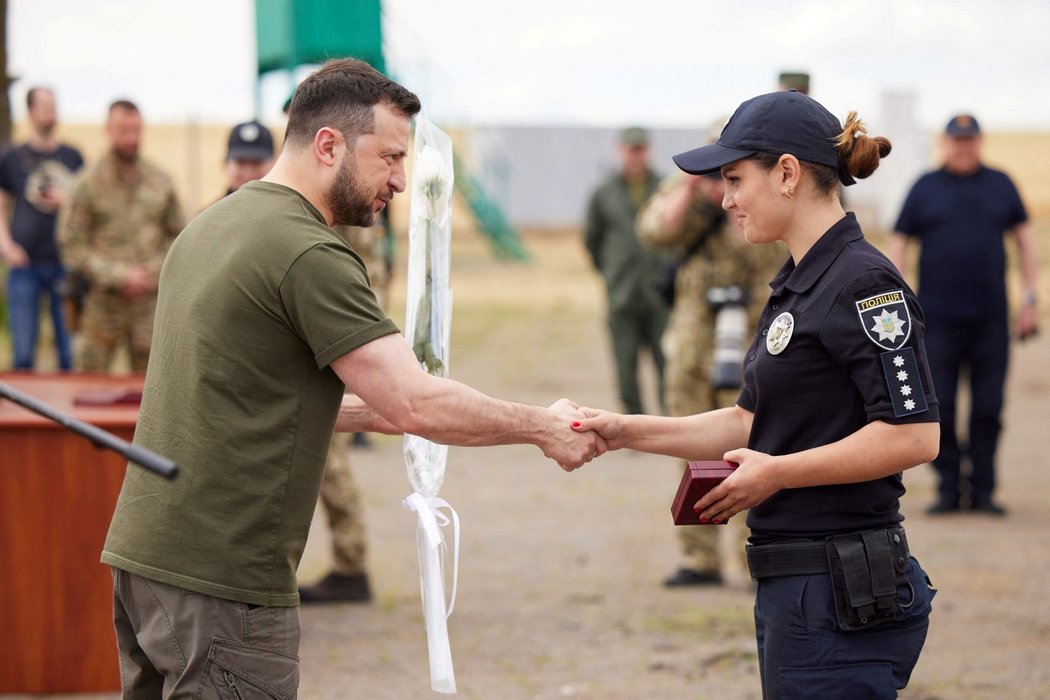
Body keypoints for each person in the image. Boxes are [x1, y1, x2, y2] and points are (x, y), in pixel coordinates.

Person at [100, 58, 600, 694]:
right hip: (222, 580)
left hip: (147, 562)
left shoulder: (209, 228)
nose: (399, 178)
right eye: (389, 156)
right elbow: (416, 401)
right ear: (329, 144)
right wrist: (542, 427)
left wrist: (387, 413)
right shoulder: (308, 250)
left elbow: (258, 395)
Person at [573, 90, 940, 699]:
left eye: (736, 178)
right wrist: (625, 431)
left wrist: (778, 474)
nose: (726, 199)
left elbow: (913, 433)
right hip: (797, 583)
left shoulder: (863, 280)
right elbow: (751, 421)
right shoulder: (802, 280)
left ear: (789, 174)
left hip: (838, 588)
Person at [637, 161, 785, 588]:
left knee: (754, 446)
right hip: (694, 339)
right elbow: (654, 231)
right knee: (690, 445)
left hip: (754, 332)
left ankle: (752, 555)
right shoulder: (689, 188)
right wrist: (690, 187)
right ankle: (698, 557)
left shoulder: (770, 188)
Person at [889, 114, 1039, 517]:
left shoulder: (1000, 183)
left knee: (989, 406)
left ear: (980, 141)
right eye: (958, 140)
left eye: (970, 140)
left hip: (991, 319)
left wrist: (1029, 298)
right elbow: (899, 241)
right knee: (944, 405)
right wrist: (901, 298)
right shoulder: (926, 187)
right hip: (936, 320)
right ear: (946, 143)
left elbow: (1025, 240)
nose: (964, 147)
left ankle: (985, 490)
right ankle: (949, 488)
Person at [58, 99, 185, 373]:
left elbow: (180, 238)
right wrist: (120, 276)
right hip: (103, 303)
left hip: (150, 305)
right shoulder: (87, 184)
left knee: (153, 385)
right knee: (88, 384)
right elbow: (72, 245)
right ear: (108, 129)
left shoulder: (160, 181)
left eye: (136, 131)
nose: (131, 139)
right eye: (123, 131)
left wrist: (150, 274)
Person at [584, 126, 670, 415]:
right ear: (621, 150)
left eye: (641, 149)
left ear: (648, 150)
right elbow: (592, 240)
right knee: (625, 364)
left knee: (667, 361)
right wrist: (611, 271)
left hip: (660, 295)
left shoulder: (665, 188)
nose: (636, 155)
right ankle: (633, 421)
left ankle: (670, 422)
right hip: (622, 294)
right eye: (631, 149)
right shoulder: (604, 193)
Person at [0, 87, 83, 371]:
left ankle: (64, 416)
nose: (50, 112)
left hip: (66, 264)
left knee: (69, 356)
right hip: (25, 264)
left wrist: (67, 201)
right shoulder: (12, 158)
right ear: (30, 112)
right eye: (44, 106)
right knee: (23, 354)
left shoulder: (73, 157)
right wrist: (7, 247)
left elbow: (87, 208)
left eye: (53, 105)